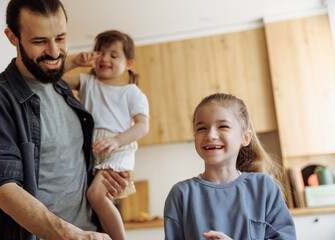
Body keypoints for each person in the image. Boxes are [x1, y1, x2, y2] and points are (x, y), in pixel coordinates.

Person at [0, 1, 128, 239]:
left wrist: (102, 179)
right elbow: (4, 189)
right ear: (12, 37)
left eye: (61, 38)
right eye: (40, 41)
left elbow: (70, 167)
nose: (55, 51)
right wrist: (72, 235)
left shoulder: (63, 88)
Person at [163, 93, 296, 240]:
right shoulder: (180, 194)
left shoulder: (264, 187)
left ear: (245, 138)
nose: (210, 135)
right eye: (202, 128)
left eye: (223, 126)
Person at [63, 30, 149, 240]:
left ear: (128, 63)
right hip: (92, 152)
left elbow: (142, 126)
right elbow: (54, 80)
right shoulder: (87, 82)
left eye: (113, 54)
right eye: (99, 52)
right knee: (91, 200)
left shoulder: (131, 92)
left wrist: (116, 140)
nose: (105, 58)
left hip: (117, 151)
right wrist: (74, 62)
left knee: (96, 195)